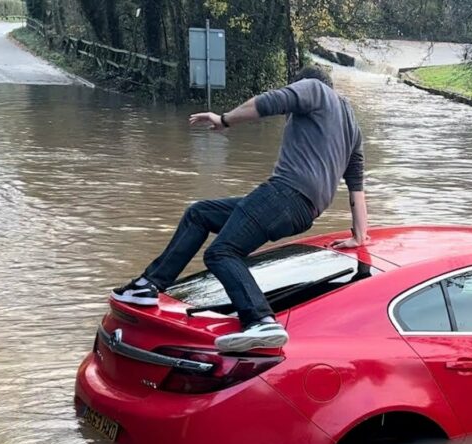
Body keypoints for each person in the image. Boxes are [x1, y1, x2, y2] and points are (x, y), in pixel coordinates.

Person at [112, 66, 368, 352]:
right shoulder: (351, 127)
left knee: (222, 252)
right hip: (303, 211)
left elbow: (270, 101)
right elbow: (355, 182)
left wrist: (224, 120)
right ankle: (148, 285)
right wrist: (359, 235)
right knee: (199, 213)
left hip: (285, 194)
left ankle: (260, 319)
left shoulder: (314, 90)